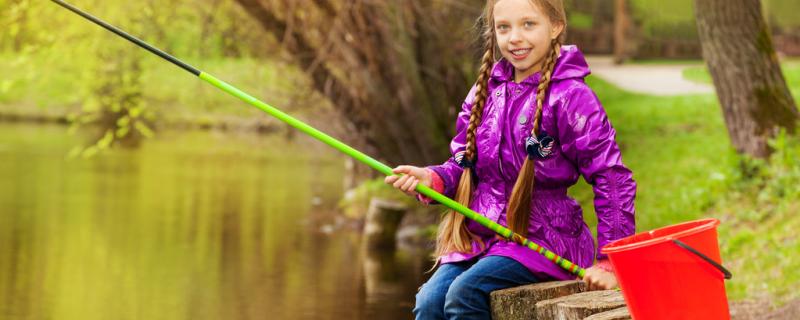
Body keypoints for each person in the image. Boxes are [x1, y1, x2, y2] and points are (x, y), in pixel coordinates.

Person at [383, 0, 637, 319]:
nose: (515, 37)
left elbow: (612, 177)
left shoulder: (572, 97)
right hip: (483, 236)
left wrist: (611, 261)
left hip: (543, 238)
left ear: (556, 26)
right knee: (429, 302)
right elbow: (463, 167)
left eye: (528, 24)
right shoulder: (484, 93)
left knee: (465, 295)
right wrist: (431, 179)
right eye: (504, 27)